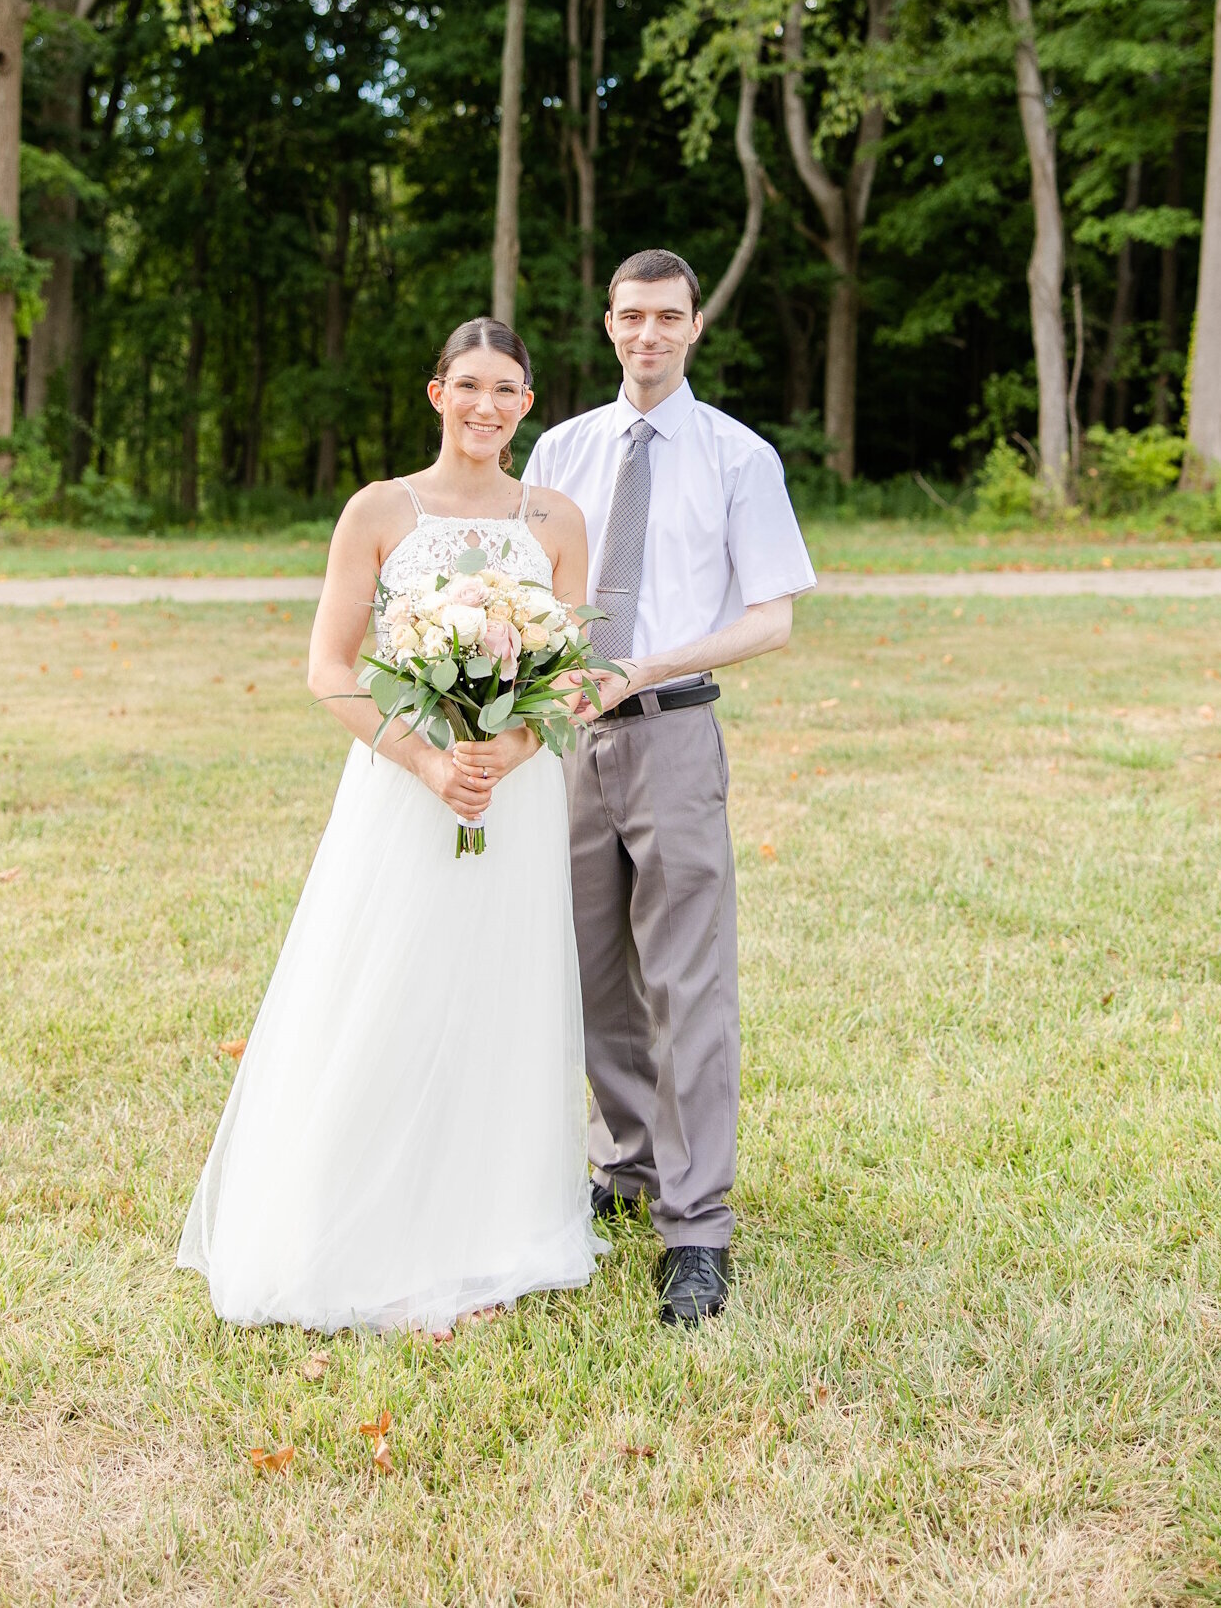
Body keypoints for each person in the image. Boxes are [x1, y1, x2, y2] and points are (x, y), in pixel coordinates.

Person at [177, 319, 603, 1333]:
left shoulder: (557, 518)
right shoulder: (380, 510)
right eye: (468, 386)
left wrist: (512, 750)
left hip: (515, 792)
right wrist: (421, 758)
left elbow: (579, 670)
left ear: (528, 405)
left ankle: (490, 1238)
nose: (486, 405)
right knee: (392, 989)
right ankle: (371, 1235)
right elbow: (329, 667)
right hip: (401, 792)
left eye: (506, 389)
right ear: (435, 394)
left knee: (501, 997)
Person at [524, 248, 817, 1326]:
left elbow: (772, 618)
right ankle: (627, 1167)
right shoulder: (559, 449)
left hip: (671, 731)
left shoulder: (740, 458)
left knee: (686, 984)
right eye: (630, 316)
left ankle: (697, 1230)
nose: (648, 334)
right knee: (593, 970)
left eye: (668, 317)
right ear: (608, 326)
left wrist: (646, 665)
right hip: (567, 745)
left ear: (695, 328)